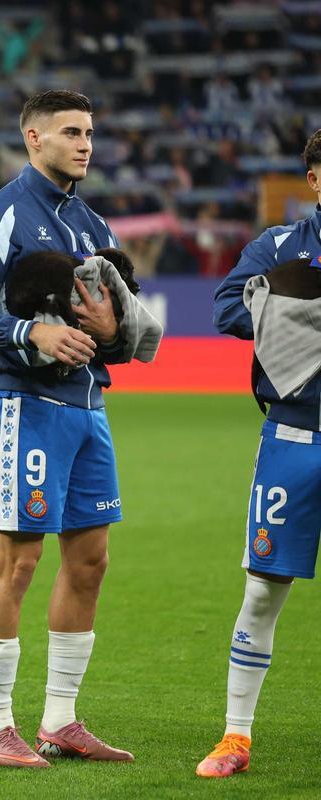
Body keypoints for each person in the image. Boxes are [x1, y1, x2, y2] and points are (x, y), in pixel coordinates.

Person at [0, 90, 135, 768]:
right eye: (70, 132)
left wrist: (113, 334)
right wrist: (34, 332)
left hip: (90, 409)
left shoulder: (91, 225)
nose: (85, 143)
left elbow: (120, 331)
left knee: (90, 562)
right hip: (28, 404)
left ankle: (61, 720)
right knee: (18, 562)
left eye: (89, 132)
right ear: (33, 139)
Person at [196, 128, 321, 779]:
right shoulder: (278, 248)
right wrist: (302, 314)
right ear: (315, 181)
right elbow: (225, 310)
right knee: (264, 590)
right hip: (293, 439)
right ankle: (235, 737)